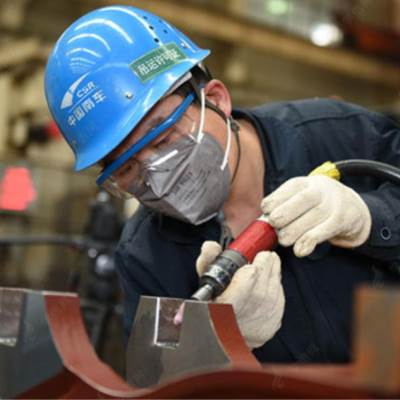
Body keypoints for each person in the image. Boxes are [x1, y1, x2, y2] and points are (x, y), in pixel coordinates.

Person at [45, 5, 400, 362]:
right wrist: (217, 343)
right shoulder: (145, 255)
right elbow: (155, 376)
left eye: (163, 139)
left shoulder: (342, 135)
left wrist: (370, 219)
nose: (157, 177)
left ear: (215, 100)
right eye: (127, 168)